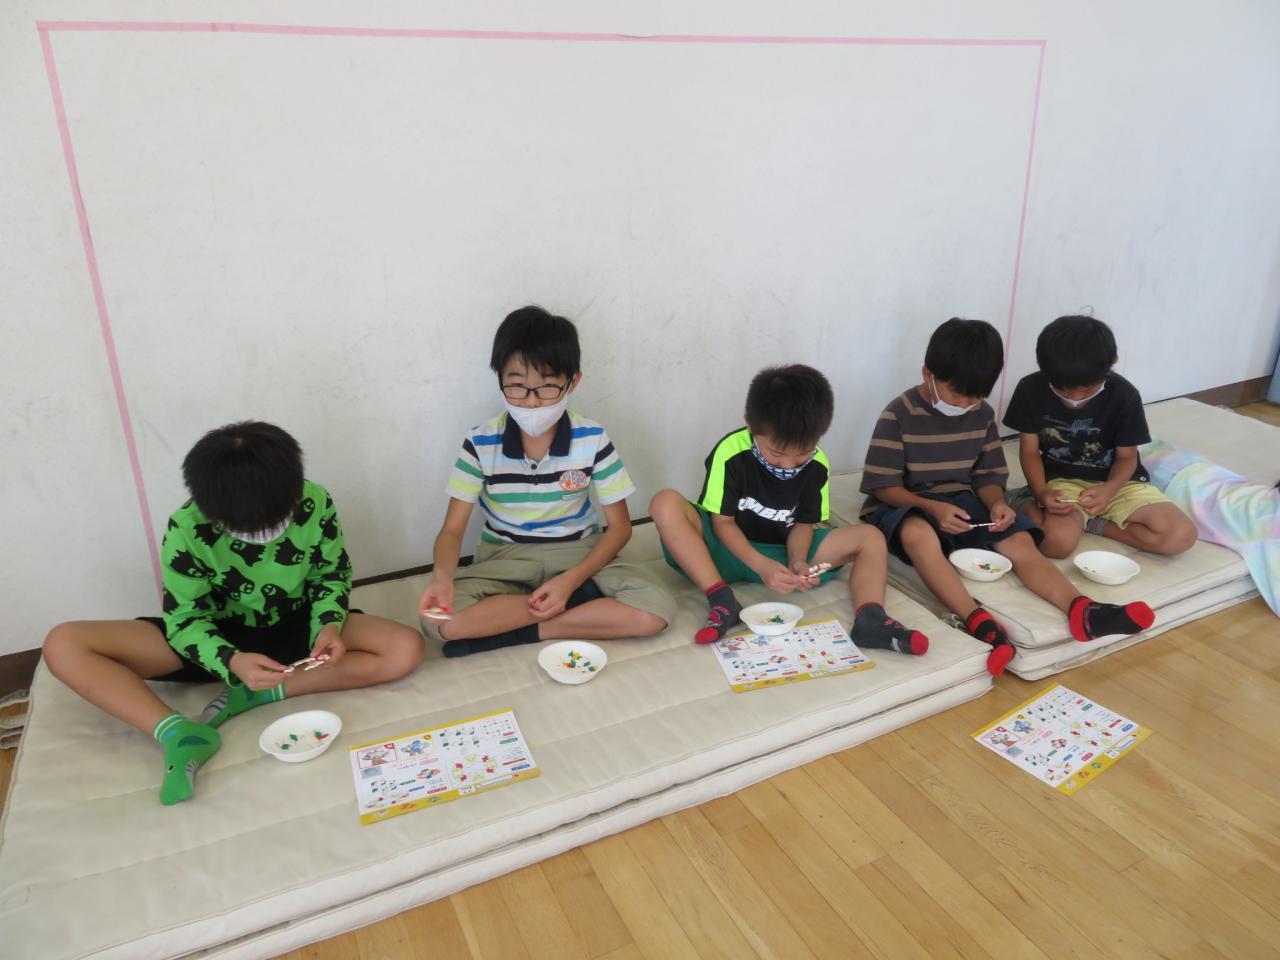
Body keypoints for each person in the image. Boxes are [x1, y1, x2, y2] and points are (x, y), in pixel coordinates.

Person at [42, 421, 424, 805]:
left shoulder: (316, 501)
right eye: (245, 530)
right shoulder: (186, 528)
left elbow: (331, 575)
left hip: (299, 625)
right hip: (215, 636)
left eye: (276, 522)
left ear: (295, 490)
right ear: (208, 507)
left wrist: (328, 625)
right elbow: (185, 617)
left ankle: (261, 692)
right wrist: (230, 660)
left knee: (405, 648)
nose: (263, 535)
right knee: (64, 643)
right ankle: (179, 733)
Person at [859, 318, 1154, 676]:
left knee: (1018, 539)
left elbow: (987, 476)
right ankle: (977, 620)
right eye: (956, 395)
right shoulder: (898, 414)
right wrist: (930, 507)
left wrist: (997, 502)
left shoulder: (981, 414)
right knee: (918, 535)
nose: (965, 404)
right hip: (906, 504)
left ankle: (1083, 609)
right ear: (928, 374)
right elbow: (883, 486)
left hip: (961, 499)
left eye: (975, 397)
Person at [418, 306, 673, 656]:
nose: (532, 402)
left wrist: (570, 580)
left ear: (573, 382)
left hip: (579, 552)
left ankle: (526, 627)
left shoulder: (592, 437)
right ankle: (576, 606)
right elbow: (451, 531)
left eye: (548, 387)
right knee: (438, 621)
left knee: (656, 609)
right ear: (498, 376)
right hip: (505, 557)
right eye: (517, 387)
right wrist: (442, 579)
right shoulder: (480, 441)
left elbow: (620, 529)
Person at [651, 364, 928, 656]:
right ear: (750, 425)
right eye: (777, 453)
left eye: (802, 455)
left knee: (870, 537)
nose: (788, 465)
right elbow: (722, 522)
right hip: (722, 550)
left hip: (781, 555)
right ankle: (722, 600)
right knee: (664, 503)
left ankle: (871, 619)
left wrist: (798, 561)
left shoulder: (818, 465)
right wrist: (760, 565)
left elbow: (803, 524)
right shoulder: (731, 452)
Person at [1003, 314, 1197, 559]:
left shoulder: (1124, 395)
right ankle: (1025, 499)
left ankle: (1095, 524)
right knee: (1055, 545)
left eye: (1086, 389)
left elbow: (1126, 458)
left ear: (1112, 363)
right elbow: (1029, 450)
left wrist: (1109, 490)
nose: (1074, 398)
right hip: (1062, 482)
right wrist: (1041, 491)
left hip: (1120, 484)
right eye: (1063, 390)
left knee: (1180, 536)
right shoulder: (1030, 388)